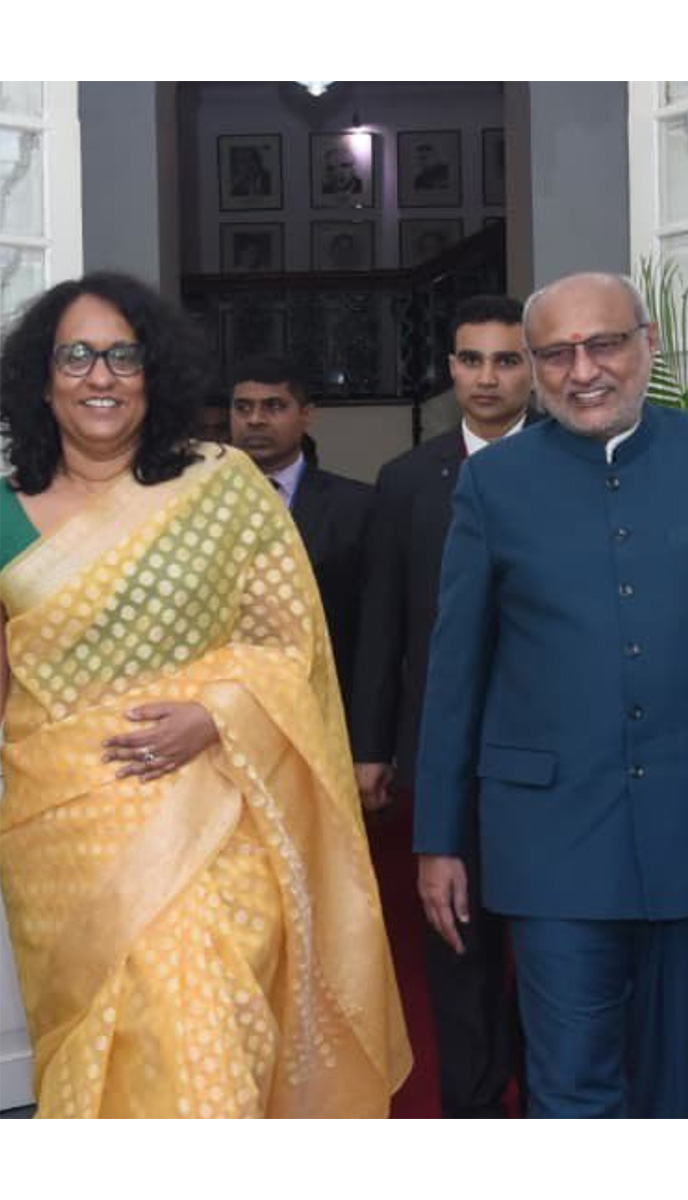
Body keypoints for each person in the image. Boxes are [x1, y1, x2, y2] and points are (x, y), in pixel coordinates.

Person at [0, 272, 409, 1117]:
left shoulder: (219, 486)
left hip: (217, 813)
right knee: (103, 1041)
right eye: (75, 356)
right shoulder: (6, 511)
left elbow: (288, 643)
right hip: (60, 827)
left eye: (123, 356)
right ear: (42, 379)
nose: (101, 376)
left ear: (156, 376)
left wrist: (213, 713)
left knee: (208, 1025)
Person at [412, 272, 688, 1118]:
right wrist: (439, 836)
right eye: (556, 354)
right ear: (536, 367)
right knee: (572, 1083)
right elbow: (456, 671)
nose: (582, 370)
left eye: (604, 344)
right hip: (553, 836)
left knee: (668, 1086)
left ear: (647, 344)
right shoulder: (493, 484)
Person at [350, 295, 533, 1117]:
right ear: (450, 369)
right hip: (440, 754)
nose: (487, 377)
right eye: (471, 360)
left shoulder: (571, 463)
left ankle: (548, 1104)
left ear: (531, 368)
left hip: (547, 763)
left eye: (506, 360)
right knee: (454, 948)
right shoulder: (406, 481)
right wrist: (372, 748)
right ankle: (469, 1114)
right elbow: (380, 623)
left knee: (545, 951)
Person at [230, 356, 372, 722]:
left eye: (274, 406)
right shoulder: (194, 505)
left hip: (327, 707)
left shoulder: (356, 506)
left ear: (306, 415)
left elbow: (376, 629)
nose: (255, 419)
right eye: (243, 408)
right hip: (225, 712)